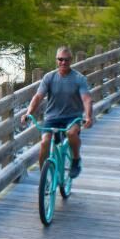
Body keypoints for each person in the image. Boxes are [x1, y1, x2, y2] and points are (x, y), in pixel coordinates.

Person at [22, 45, 94, 179]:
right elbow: (38, 97)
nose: (63, 62)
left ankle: (76, 160)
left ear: (71, 60)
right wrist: (29, 113)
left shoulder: (79, 78)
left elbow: (86, 99)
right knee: (44, 143)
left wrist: (88, 117)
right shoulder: (49, 77)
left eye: (66, 59)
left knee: (71, 133)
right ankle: (44, 176)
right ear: (56, 60)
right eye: (60, 59)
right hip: (52, 117)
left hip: (72, 117)